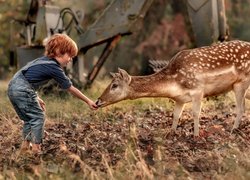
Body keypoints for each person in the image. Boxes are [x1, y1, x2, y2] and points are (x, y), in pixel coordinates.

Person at [7, 34, 98, 154]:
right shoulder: (55, 68)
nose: (70, 59)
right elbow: (70, 88)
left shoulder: (42, 61)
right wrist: (88, 101)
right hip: (22, 88)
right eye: (69, 56)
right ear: (58, 51)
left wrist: (35, 97)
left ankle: (25, 147)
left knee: (29, 118)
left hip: (13, 87)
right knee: (38, 117)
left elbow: (27, 78)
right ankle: (36, 149)